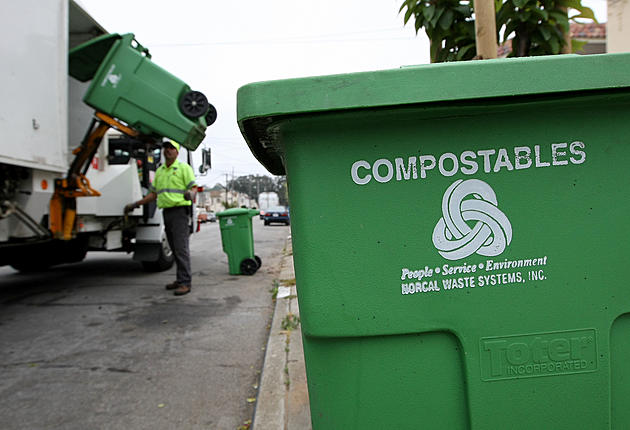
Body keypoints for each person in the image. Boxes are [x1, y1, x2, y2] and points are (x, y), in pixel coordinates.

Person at [125, 140, 197, 296]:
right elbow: (153, 194)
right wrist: (136, 204)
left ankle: (185, 283)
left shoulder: (184, 168)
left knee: (181, 248)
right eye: (165, 148)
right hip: (167, 212)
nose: (168, 151)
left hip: (179, 213)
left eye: (171, 148)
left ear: (177, 152)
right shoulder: (160, 171)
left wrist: (191, 194)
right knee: (174, 248)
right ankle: (180, 280)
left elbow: (193, 187)